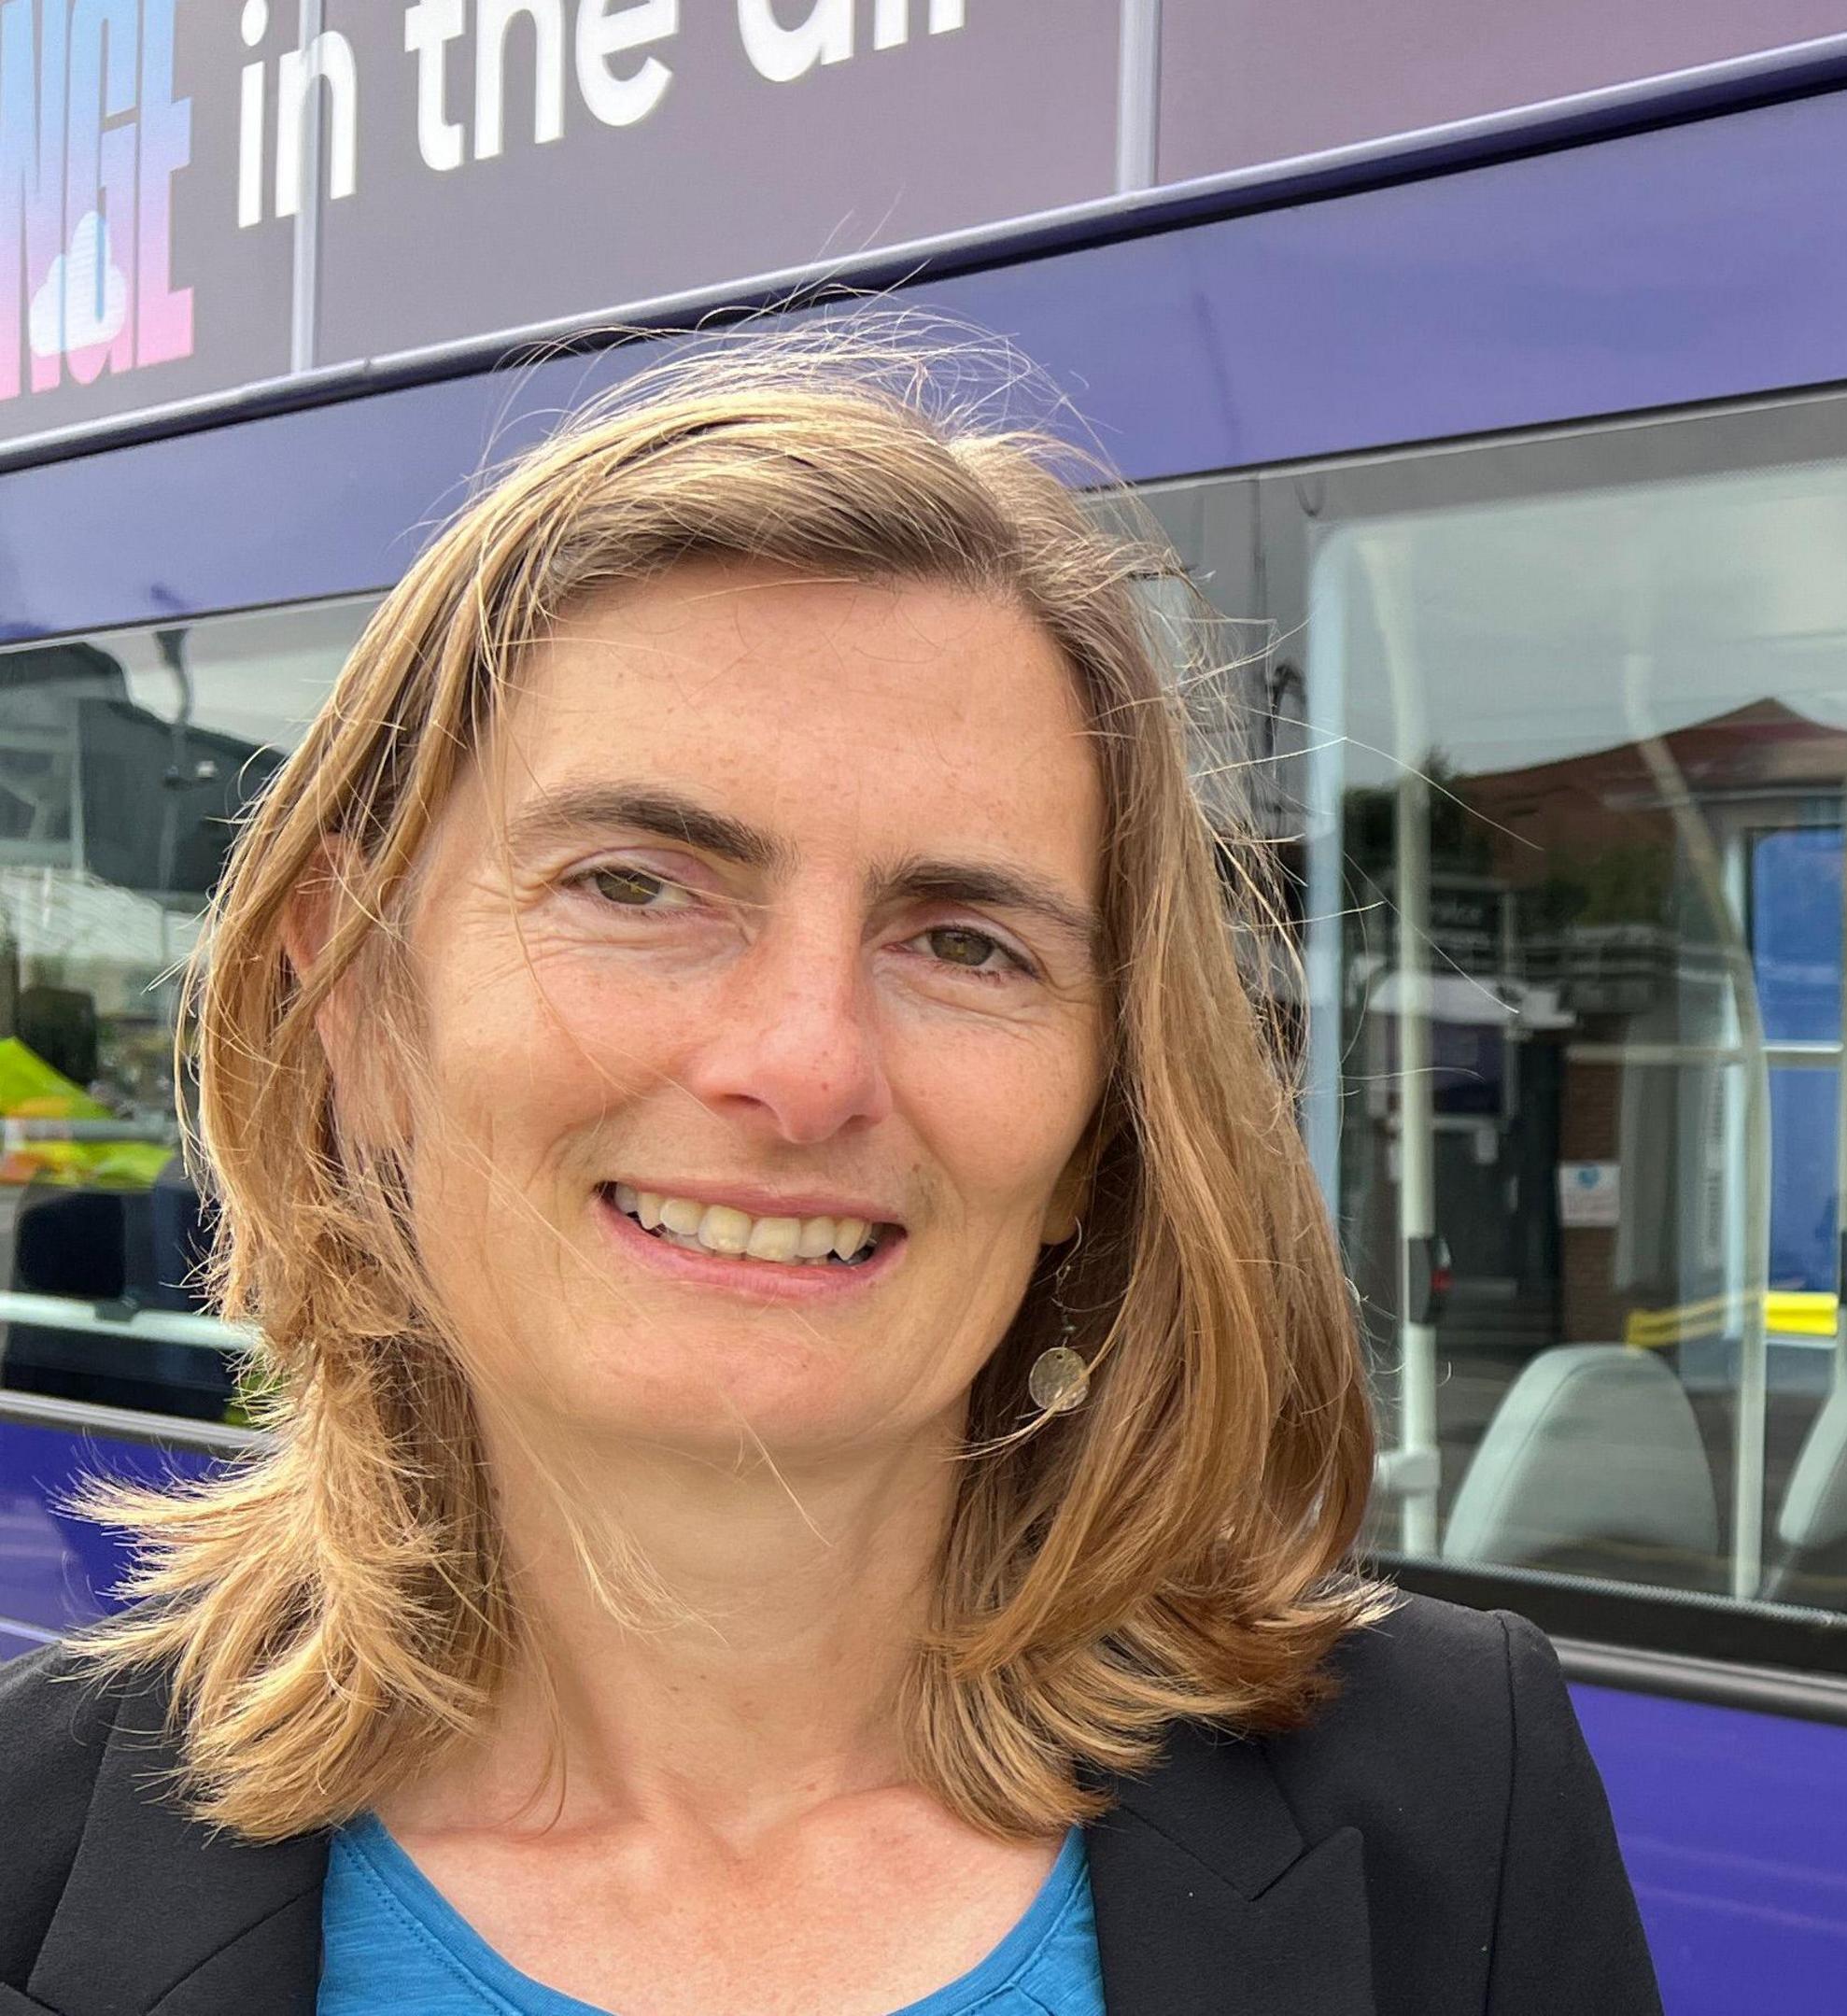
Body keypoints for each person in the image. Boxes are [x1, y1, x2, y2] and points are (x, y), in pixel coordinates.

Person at [0, 335, 1663, 2015]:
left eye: (965, 941)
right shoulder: (26, 1848)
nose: (802, 1067)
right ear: (355, 1004)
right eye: (637, 887)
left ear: (1097, 1128)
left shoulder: (1462, 1795)